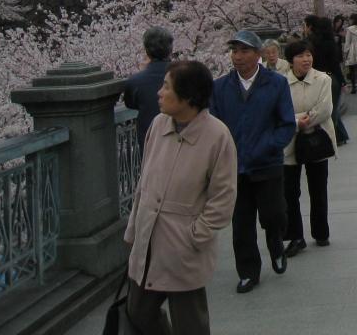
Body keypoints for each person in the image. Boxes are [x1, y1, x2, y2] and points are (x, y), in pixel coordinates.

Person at [124, 60, 237, 335]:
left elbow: (223, 197)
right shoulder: (158, 125)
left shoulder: (217, 136)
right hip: (148, 239)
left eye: (166, 87)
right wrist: (134, 229)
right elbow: (143, 183)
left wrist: (196, 234)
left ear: (187, 97)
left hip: (183, 245)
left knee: (190, 323)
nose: (159, 93)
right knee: (138, 312)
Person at [210, 30, 296, 294]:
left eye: (244, 51)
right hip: (235, 166)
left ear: (258, 54)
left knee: (274, 214)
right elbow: (213, 125)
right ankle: (248, 271)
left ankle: (276, 243)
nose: (238, 56)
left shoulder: (276, 83)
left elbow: (287, 123)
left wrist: (270, 145)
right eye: (234, 51)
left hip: (267, 163)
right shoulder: (220, 87)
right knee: (241, 223)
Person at [282, 39, 336, 255]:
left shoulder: (322, 79)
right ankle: (295, 236)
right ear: (290, 60)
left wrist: (302, 120)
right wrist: (297, 122)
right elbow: (279, 111)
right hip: (289, 141)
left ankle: (321, 232)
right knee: (289, 191)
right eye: (300, 56)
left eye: (308, 55)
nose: (306, 59)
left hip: (316, 139)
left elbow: (325, 110)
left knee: (318, 188)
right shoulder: (280, 82)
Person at [123, 25, 174, 151]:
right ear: (171, 49)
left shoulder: (135, 81)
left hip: (150, 143)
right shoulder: (186, 76)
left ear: (146, 50)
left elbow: (130, 103)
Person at [306, 15, 351, 144]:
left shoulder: (311, 43)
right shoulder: (330, 43)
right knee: (332, 108)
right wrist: (343, 82)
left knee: (325, 109)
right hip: (330, 78)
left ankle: (340, 135)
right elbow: (335, 65)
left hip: (316, 78)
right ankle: (335, 136)